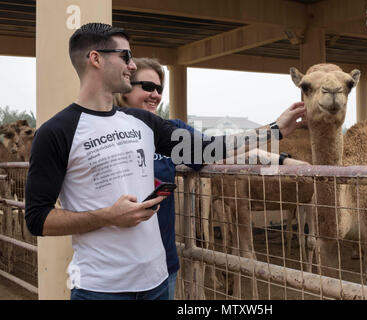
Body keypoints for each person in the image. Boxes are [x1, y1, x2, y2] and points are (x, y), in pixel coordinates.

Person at [24, 22, 306, 300]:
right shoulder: (55, 133)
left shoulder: (145, 122)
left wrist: (274, 130)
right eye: (125, 56)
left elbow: (205, 149)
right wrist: (108, 216)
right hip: (101, 290)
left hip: (158, 282)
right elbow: (37, 219)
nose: (132, 65)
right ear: (95, 59)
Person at [114, 57, 205, 299]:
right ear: (124, 89)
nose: (155, 94)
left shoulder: (170, 130)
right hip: (113, 268)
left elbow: (216, 150)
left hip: (161, 263)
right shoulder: (104, 131)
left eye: (159, 89)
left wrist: (278, 156)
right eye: (147, 86)